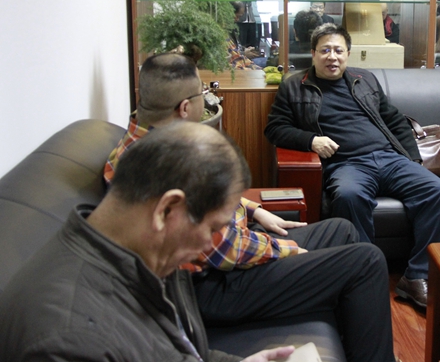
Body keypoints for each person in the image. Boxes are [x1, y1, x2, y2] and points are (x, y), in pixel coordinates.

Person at [104, 53, 396, 362]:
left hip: (223, 261)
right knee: (367, 261)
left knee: (342, 229)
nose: (208, 99)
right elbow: (225, 249)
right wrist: (288, 251)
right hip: (211, 287)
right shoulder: (167, 164)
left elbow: (207, 204)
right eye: (203, 93)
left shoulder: (135, 144)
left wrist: (254, 209)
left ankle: (356, 348)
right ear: (185, 108)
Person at [0, 120, 298, 361]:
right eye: (212, 229)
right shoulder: (70, 341)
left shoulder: (142, 255)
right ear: (167, 210)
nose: (210, 245)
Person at [264, 24, 440, 311]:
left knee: (439, 192)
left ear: (348, 54)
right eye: (325, 50)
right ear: (313, 54)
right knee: (349, 197)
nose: (332, 57)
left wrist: (413, 162)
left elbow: (394, 119)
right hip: (347, 164)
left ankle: (418, 277)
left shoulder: (364, 79)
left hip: (389, 158)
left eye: (338, 50)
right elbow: (275, 128)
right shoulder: (294, 85)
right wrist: (311, 140)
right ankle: (363, 278)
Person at [227, 1, 263, 69]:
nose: (237, 19)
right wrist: (244, 53)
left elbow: (236, 48)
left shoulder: (233, 29)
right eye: (237, 16)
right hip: (240, 63)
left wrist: (245, 50)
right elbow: (232, 58)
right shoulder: (226, 33)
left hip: (244, 60)